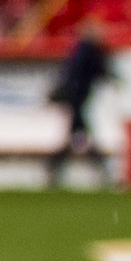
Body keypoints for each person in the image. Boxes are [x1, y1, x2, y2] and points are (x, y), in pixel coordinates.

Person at [48, 23, 111, 187]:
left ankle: (54, 170)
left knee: (77, 136)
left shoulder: (78, 50)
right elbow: (100, 71)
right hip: (78, 100)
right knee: (83, 136)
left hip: (75, 100)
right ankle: (102, 172)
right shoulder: (90, 51)